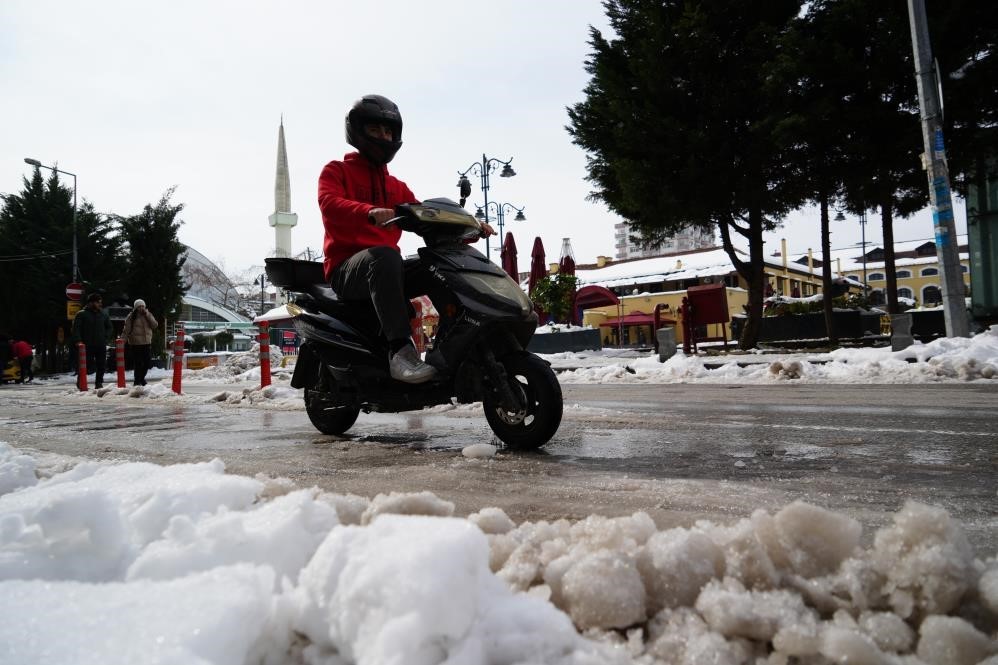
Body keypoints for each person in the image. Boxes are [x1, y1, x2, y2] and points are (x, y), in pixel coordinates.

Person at [318, 94, 494, 384]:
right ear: (358, 131)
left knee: (436, 264)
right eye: (375, 130)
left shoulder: (395, 186)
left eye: (388, 131)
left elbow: (427, 218)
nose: (383, 137)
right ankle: (400, 351)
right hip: (346, 269)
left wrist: (469, 227)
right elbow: (330, 203)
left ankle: (455, 340)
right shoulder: (336, 171)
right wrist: (368, 211)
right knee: (384, 256)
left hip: (385, 269)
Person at [72, 292, 112, 389]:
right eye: (98, 302)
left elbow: (110, 327)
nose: (100, 304)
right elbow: (76, 328)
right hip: (86, 345)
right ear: (91, 302)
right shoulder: (81, 314)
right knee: (85, 365)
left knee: (101, 365)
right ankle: (81, 381)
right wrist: (78, 340)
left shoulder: (103, 314)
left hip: (100, 344)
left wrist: (105, 338)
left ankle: (99, 383)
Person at [122, 299, 158, 386]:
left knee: (147, 362)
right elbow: (126, 330)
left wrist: (147, 315)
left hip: (146, 342)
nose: (141, 308)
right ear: (136, 308)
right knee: (138, 363)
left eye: (142, 306)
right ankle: (137, 381)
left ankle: (141, 378)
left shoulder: (148, 314)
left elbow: (155, 325)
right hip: (136, 343)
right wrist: (122, 341)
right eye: (139, 306)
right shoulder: (131, 316)